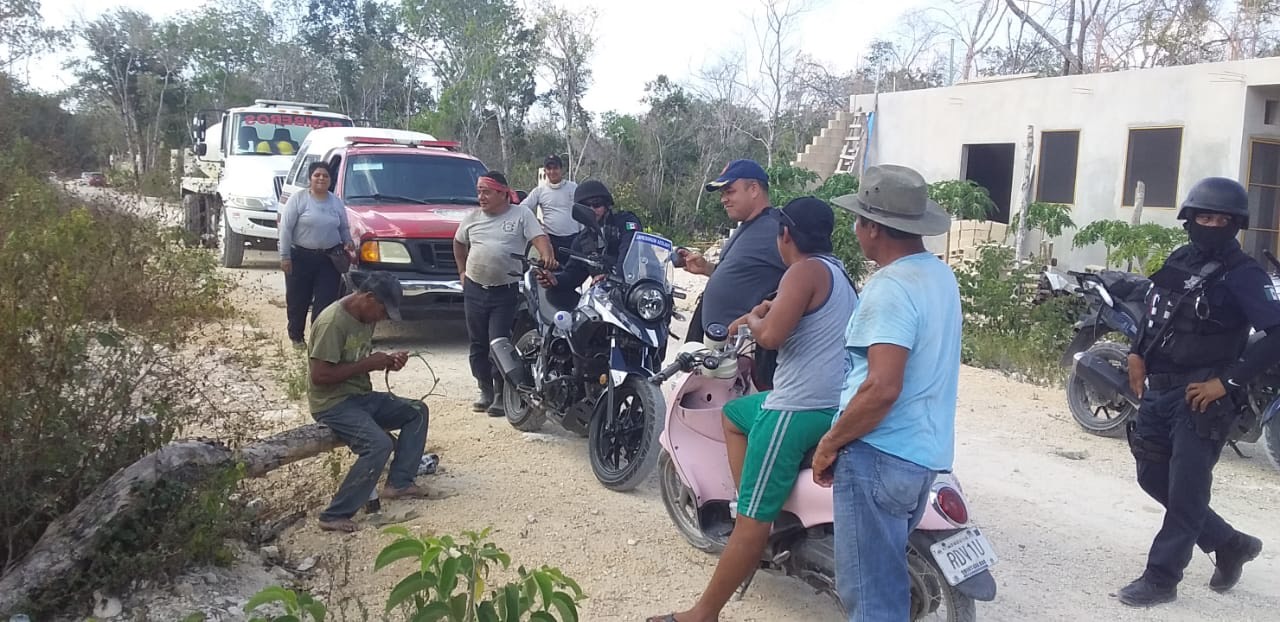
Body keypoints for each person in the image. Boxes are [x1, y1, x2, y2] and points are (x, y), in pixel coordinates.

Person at [646, 197, 858, 622]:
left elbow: (772, 337)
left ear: (785, 234)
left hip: (797, 407)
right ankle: (753, 500)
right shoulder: (837, 273)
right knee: (735, 415)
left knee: (750, 522)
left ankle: (706, 608)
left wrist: (754, 322)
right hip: (833, 401)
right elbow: (791, 314)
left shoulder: (802, 271)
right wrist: (760, 312)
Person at [1115, 177, 1280, 607]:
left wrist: (1227, 383)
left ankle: (1161, 578)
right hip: (1159, 388)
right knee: (1151, 476)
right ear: (1189, 220)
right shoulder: (1180, 259)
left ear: (1236, 224)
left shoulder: (1245, 274)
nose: (1212, 226)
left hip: (1203, 397)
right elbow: (1156, 313)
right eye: (1204, 217)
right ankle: (1229, 543)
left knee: (1187, 490)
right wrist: (1136, 353)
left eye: (1222, 220)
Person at [809, 165, 960, 622]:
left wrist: (830, 442)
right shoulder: (939, 276)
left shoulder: (890, 287)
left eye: (858, 220)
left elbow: (881, 387)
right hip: (922, 456)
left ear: (873, 227)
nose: (856, 231)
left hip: (879, 455)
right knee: (886, 581)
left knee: (872, 600)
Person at [308, 270, 429, 533]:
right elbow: (320, 376)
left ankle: (399, 483)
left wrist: (388, 362)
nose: (383, 318)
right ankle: (334, 514)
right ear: (369, 298)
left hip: (360, 396)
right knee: (378, 445)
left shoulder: (365, 316)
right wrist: (367, 364)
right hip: (333, 403)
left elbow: (356, 358)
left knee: (417, 411)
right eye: (383, 311)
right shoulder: (332, 322)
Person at [454, 171, 558, 416]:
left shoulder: (521, 215)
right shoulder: (472, 218)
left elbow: (540, 239)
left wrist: (547, 256)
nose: (481, 197)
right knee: (478, 343)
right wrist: (462, 271)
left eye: (486, 192)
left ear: (503, 194)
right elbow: (458, 243)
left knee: (499, 342)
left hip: (504, 291)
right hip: (475, 289)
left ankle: (502, 392)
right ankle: (485, 389)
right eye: (479, 192)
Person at [677, 159, 787, 360]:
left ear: (753, 189)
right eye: (722, 194)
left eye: (730, 191)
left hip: (742, 353)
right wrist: (708, 268)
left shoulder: (777, 230)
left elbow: (800, 276)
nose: (723, 199)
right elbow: (747, 274)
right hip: (716, 350)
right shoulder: (746, 225)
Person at [279, 161, 355, 348]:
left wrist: (348, 241)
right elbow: (286, 229)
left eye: (325, 176)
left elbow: (343, 227)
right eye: (317, 175)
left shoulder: (336, 202)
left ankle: (318, 339)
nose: (321, 178)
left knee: (326, 301)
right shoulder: (298, 199)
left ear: (330, 180)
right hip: (300, 258)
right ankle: (296, 337)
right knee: (298, 300)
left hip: (328, 260)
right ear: (310, 178)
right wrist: (285, 256)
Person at [533, 179, 642, 307]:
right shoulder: (582, 240)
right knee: (555, 295)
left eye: (597, 204)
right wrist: (555, 280)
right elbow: (572, 275)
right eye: (585, 207)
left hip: (639, 290)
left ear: (607, 205)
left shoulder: (625, 222)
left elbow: (630, 250)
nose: (592, 210)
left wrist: (612, 277)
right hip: (608, 302)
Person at [519, 154, 580, 261]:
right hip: (551, 241)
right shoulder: (539, 191)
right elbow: (522, 208)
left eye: (555, 168)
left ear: (562, 169)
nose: (552, 172)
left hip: (574, 239)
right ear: (545, 171)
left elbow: (584, 208)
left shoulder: (573, 187)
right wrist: (537, 224)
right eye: (549, 168)